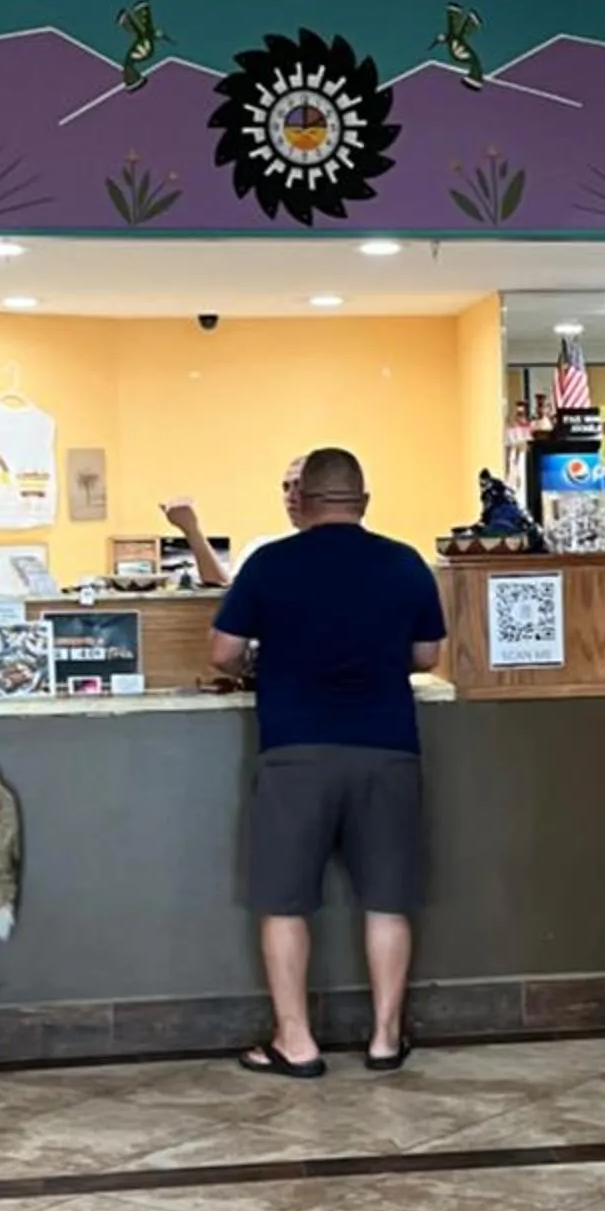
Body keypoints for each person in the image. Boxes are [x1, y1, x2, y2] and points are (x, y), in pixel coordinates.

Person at [209, 444, 445, 1076]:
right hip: (388, 747)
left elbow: (223, 653)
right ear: (363, 501)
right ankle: (385, 1039)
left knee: (285, 901)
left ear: (303, 500)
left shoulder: (269, 563)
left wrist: (268, 658)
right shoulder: (404, 563)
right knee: (387, 900)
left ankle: (297, 1043)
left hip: (295, 750)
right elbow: (428, 655)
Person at [161, 454, 304, 588]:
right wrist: (191, 530)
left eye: (299, 485)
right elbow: (224, 584)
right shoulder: (265, 548)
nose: (290, 496)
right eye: (286, 487)